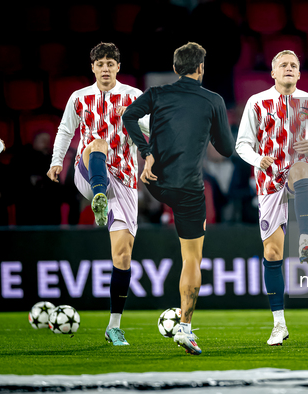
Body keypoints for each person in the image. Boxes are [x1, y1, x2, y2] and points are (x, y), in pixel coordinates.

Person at [123, 42, 234, 355]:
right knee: (192, 259)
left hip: (155, 182)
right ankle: (185, 328)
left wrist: (147, 155)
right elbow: (226, 149)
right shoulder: (213, 100)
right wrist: (209, 126)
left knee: (144, 125)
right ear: (201, 68)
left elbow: (129, 116)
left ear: (174, 69)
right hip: (187, 189)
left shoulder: (157, 93)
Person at [47, 42, 150, 346]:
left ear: (118, 67)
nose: (105, 68)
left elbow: (152, 127)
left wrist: (132, 115)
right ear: (92, 67)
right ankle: (98, 197)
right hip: (88, 173)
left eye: (110, 63)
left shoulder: (133, 96)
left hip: (125, 181)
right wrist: (56, 162)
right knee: (97, 144)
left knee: (122, 256)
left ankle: (113, 326)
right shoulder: (79, 98)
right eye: (100, 63)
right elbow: (65, 131)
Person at [235, 50, 308, 346]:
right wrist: (257, 158)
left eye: (294, 65)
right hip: (268, 179)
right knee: (273, 254)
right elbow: (242, 144)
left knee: (300, 168)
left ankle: (304, 238)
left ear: (299, 74)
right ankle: (279, 324)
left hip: (299, 171)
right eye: (283, 65)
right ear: (273, 73)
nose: (289, 69)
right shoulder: (257, 102)